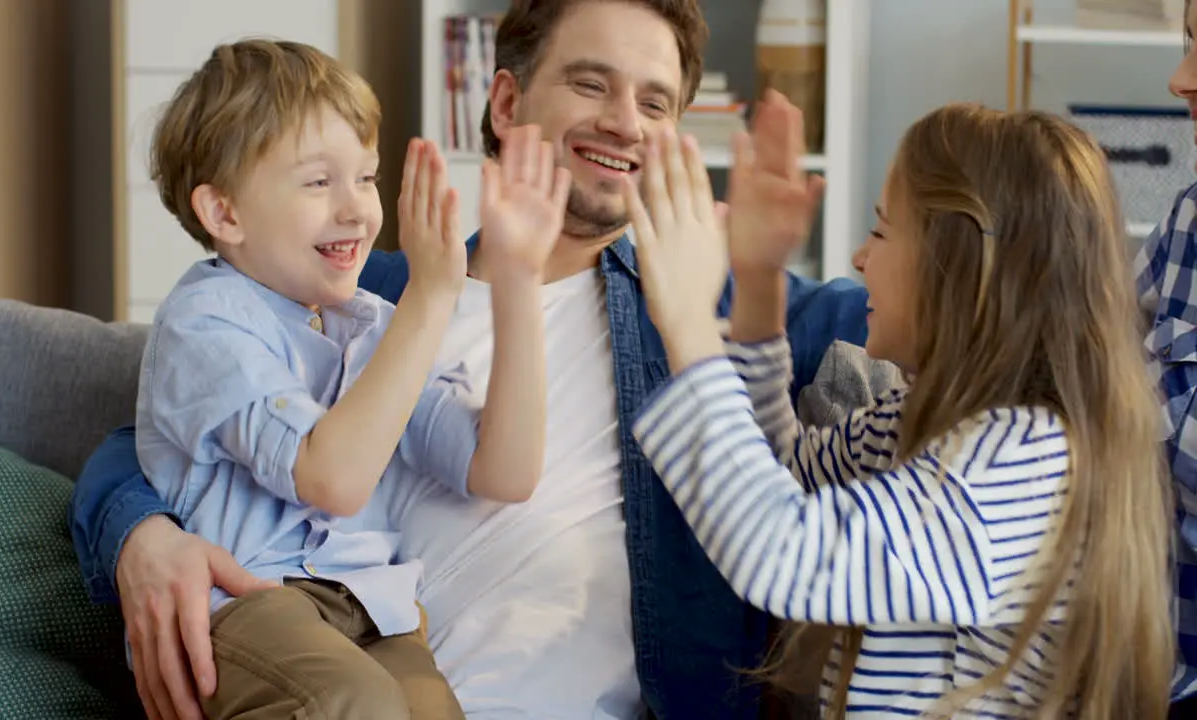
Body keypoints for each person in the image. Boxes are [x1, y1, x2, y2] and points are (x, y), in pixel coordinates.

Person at [68, 1, 871, 718]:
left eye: (656, 103)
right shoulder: (367, 292)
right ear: (507, 101)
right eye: (592, 85)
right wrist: (141, 535)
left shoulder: (716, 304)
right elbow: (154, 425)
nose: (627, 122)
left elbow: (956, 324)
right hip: (330, 675)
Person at [624, 92, 1176, 717]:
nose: (860, 258)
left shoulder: (1027, 460)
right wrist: (756, 286)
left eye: (882, 230)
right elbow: (783, 480)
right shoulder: (921, 417)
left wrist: (690, 322)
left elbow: (778, 551)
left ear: (962, 268)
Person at [131, 39, 570, 719]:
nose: (357, 209)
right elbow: (330, 478)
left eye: (365, 178)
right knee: (353, 702)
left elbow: (504, 471)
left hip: (372, 608)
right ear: (225, 214)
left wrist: (516, 277)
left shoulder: (371, 325)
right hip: (247, 607)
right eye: (318, 181)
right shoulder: (206, 319)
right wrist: (431, 296)